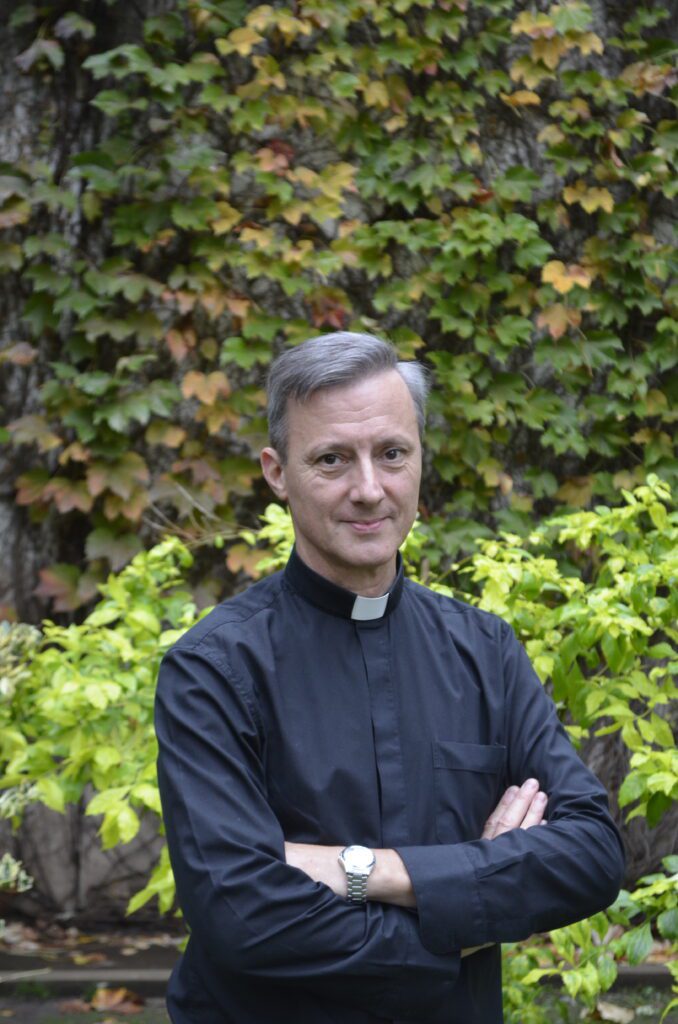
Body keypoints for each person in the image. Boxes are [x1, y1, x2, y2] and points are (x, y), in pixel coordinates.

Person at [155, 332, 625, 1024]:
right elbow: (242, 915)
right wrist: (467, 912)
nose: (369, 489)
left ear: (420, 459)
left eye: (393, 454)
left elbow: (592, 854)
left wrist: (365, 870)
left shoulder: (486, 650)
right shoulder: (213, 670)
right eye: (332, 459)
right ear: (277, 472)